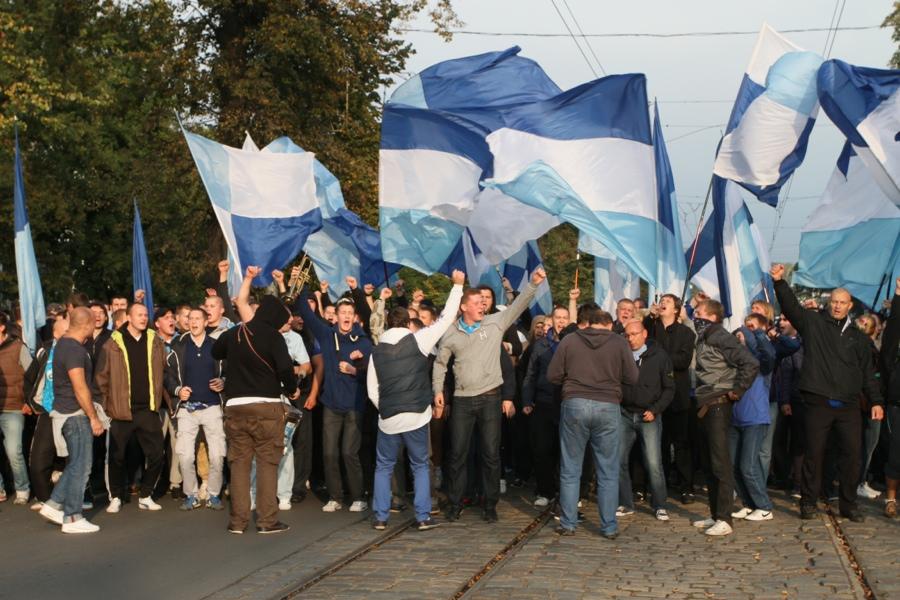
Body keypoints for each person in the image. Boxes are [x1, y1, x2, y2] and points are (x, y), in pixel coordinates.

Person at [771, 264, 884, 522]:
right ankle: (809, 502)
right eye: (834, 301)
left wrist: (876, 401)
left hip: (848, 405)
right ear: (829, 303)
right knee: (814, 453)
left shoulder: (859, 338)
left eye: (842, 302)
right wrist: (779, 282)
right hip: (818, 400)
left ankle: (848, 504)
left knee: (852, 456)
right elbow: (791, 309)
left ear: (849, 306)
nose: (836, 306)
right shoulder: (813, 323)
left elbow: (867, 373)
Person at [435, 269, 545, 523]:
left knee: (490, 454)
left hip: (489, 398)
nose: (482, 305)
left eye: (483, 302)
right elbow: (440, 364)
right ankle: (455, 502)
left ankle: (490, 503)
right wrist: (438, 391)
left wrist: (533, 284)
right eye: (476, 302)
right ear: (464, 307)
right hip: (462, 400)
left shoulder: (495, 323)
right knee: (458, 454)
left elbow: (519, 306)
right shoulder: (452, 332)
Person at [368, 270, 465, 531]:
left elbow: (372, 390)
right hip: (416, 414)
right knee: (421, 465)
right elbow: (445, 320)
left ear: (388, 323)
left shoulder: (376, 351)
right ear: (408, 323)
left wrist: (386, 408)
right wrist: (457, 287)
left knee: (383, 466)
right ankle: (422, 516)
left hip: (388, 418)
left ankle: (380, 516)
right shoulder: (419, 341)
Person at [213, 266, 298, 534]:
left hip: (235, 407)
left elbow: (216, 351)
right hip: (266, 406)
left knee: (238, 464)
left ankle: (237, 522)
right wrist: (292, 388)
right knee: (267, 464)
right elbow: (285, 368)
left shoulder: (235, 332)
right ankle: (267, 521)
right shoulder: (274, 336)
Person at [547, 305, 639, 538]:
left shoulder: (569, 341)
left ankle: (568, 523)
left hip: (575, 403)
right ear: (608, 324)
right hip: (608, 405)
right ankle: (608, 527)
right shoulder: (618, 342)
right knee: (608, 469)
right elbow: (632, 377)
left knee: (570, 469)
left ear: (587, 323)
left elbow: (553, 375)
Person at [296, 281, 373, 513]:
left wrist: (355, 369)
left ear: (354, 317)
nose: (347, 316)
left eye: (350, 313)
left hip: (355, 406)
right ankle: (335, 496)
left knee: (349, 452)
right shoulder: (327, 335)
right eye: (343, 313)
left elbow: (372, 372)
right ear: (336, 316)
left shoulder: (363, 341)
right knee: (329, 452)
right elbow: (307, 315)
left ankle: (358, 496)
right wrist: (301, 286)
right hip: (331, 404)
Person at [690, 299, 759, 537]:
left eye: (698, 313)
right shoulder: (704, 336)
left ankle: (725, 518)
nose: (694, 315)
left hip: (718, 403)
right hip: (703, 402)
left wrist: (737, 390)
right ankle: (715, 513)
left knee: (720, 463)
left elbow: (750, 363)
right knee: (709, 464)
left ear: (711, 317)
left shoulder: (719, 335)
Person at [37, 307, 106, 533]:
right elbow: (79, 387)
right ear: (86, 325)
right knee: (82, 465)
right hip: (74, 415)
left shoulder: (65, 345)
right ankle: (73, 517)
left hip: (67, 413)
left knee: (76, 463)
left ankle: (55, 504)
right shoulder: (74, 349)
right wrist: (93, 418)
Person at [96, 302, 168, 513]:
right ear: (128, 317)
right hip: (120, 410)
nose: (144, 318)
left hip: (148, 408)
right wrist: (103, 408)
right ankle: (116, 496)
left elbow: (165, 370)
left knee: (157, 454)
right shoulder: (112, 343)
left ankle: (146, 495)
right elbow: (101, 378)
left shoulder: (155, 340)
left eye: (146, 315)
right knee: (117, 457)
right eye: (139, 315)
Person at [164, 307, 227, 511]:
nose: (193, 322)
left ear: (206, 322)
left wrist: (223, 381)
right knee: (185, 455)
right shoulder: (178, 345)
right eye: (190, 318)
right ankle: (190, 494)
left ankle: (213, 495)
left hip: (212, 407)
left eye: (198, 318)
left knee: (218, 455)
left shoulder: (217, 346)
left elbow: (229, 371)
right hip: (187, 409)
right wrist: (177, 390)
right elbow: (167, 375)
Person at [617, 321, 674, 522]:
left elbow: (669, 389)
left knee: (653, 462)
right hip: (624, 415)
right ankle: (625, 502)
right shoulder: (621, 355)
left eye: (634, 334)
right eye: (627, 335)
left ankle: (660, 504)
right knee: (619, 459)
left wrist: (655, 410)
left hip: (649, 416)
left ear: (644, 333)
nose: (631, 338)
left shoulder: (659, 356)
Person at [644, 294, 697, 504]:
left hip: (678, 395)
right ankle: (659, 486)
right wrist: (650, 316)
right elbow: (642, 348)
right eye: (661, 300)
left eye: (668, 301)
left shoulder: (685, 333)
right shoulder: (651, 327)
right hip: (654, 396)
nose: (663, 303)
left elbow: (683, 361)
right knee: (659, 444)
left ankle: (686, 486)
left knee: (681, 443)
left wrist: (658, 357)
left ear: (676, 309)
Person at [729, 317, 776, 523]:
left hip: (755, 418)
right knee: (733, 465)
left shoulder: (759, 363)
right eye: (737, 335)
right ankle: (749, 504)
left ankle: (764, 506)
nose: (740, 338)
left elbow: (770, 354)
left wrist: (757, 333)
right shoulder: (733, 363)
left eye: (743, 335)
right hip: (735, 419)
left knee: (748, 465)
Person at [522, 308, 567, 508]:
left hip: (566, 403)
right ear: (552, 320)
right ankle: (544, 490)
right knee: (542, 448)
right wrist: (526, 400)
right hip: (543, 402)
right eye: (558, 318)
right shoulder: (540, 345)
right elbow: (530, 375)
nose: (562, 321)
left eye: (565, 318)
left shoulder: (573, 343)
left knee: (563, 450)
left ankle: (563, 490)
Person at [0, 311, 33, 504]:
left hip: (13, 407)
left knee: (14, 450)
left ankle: (22, 488)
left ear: (2, 326)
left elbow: (31, 375)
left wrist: (28, 401)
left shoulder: (17, 347)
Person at [881, 278, 900, 518]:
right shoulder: (893, 353)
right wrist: (898, 297)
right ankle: (891, 499)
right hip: (897, 405)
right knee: (896, 455)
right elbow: (894, 327)